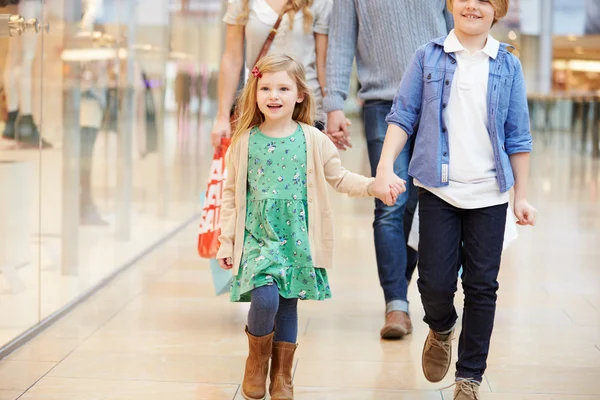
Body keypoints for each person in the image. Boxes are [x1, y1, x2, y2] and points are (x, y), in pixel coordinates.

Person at [371, 0, 537, 398]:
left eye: (485, 1)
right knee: (434, 283)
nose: (473, 6)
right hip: (438, 189)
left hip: (489, 194)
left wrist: (522, 197)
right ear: (450, 4)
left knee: (482, 286)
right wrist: (384, 167)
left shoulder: (508, 65)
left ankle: (469, 378)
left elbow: (518, 136)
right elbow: (403, 114)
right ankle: (442, 327)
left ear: (497, 10)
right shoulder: (428, 56)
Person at [216, 54, 402, 400]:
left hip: (297, 238)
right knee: (266, 296)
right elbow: (230, 195)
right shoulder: (244, 142)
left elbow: (339, 178)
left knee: (287, 304)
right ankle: (257, 361)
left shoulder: (313, 140)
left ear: (300, 94)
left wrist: (374, 185)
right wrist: (226, 241)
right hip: (258, 235)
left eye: (283, 88)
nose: (274, 95)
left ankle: (282, 375)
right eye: (266, 88)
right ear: (254, 93)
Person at [323, 0, 454, 339]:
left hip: (438, 98)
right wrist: (334, 103)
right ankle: (396, 304)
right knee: (390, 202)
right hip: (383, 101)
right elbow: (339, 41)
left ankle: (403, 293)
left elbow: (458, 27)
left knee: (421, 204)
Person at [211, 0, 332, 150]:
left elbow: (323, 63)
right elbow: (232, 59)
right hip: (260, 108)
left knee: (305, 171)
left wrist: (333, 110)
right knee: (260, 170)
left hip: (305, 109)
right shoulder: (242, 2)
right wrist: (222, 117)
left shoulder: (318, 2)